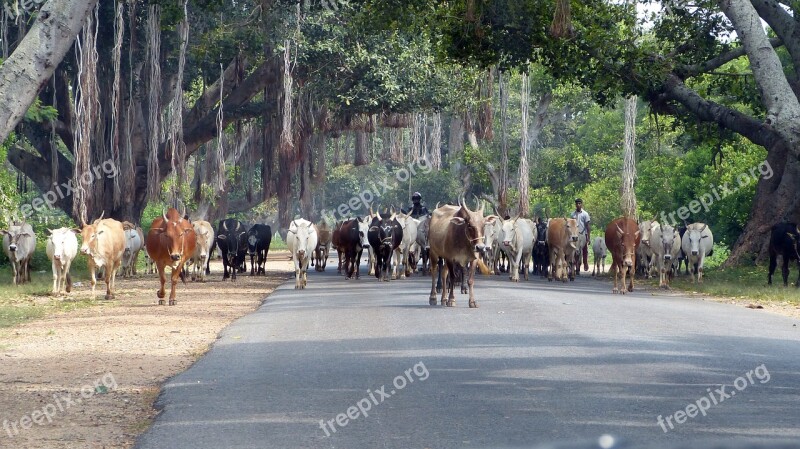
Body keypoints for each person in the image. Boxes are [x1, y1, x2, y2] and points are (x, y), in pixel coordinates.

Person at [571, 198, 591, 272]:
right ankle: (576, 265)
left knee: (584, 249)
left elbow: (588, 226)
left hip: (583, 234)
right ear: (575, 205)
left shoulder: (585, 214)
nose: (578, 205)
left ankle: (585, 263)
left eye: (579, 203)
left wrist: (588, 237)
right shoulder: (573, 214)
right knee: (575, 249)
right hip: (575, 234)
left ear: (581, 204)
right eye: (577, 204)